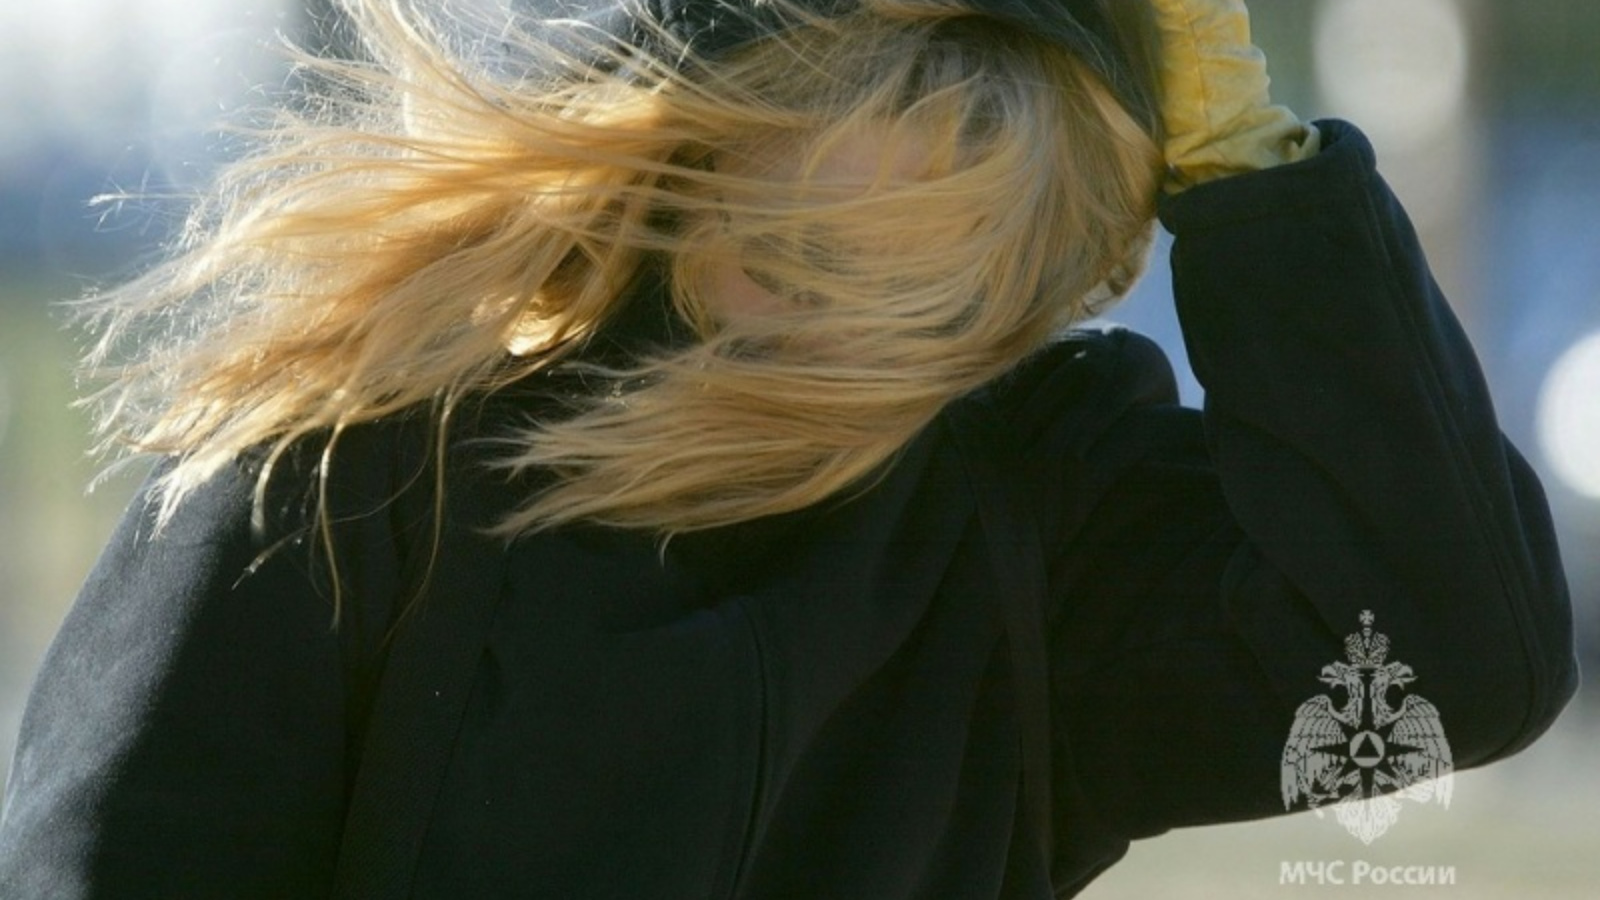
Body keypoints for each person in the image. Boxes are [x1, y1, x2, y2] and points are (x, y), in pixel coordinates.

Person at [0, 0, 1577, 897]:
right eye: (802, 236)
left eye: (937, 264)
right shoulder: (346, 486)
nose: (847, 307)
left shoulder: (1035, 525)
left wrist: (1257, 174)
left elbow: (1456, 670)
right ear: (686, 149)